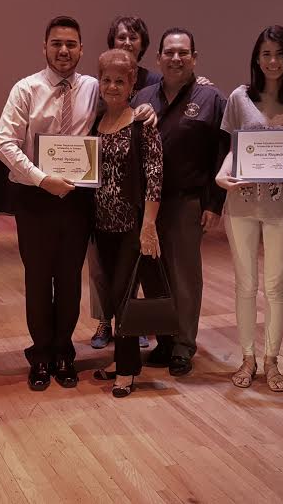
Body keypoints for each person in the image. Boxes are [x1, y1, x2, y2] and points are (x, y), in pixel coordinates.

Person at [0, 16, 99, 391]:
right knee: (39, 280)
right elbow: (3, 143)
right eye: (56, 43)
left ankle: (64, 353)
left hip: (76, 198)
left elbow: (134, 89)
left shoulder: (93, 87)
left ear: (81, 49)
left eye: (71, 44)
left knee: (70, 280)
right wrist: (42, 179)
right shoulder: (26, 89)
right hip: (35, 197)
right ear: (44, 47)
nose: (63, 51)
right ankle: (40, 356)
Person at [214, 25, 283, 391]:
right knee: (246, 285)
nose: (273, 61)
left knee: (275, 286)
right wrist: (222, 176)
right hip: (241, 201)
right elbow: (233, 150)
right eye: (266, 54)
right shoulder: (239, 97)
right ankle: (247, 358)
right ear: (256, 59)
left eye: (279, 54)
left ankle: (272, 361)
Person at [133, 27, 229, 376]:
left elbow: (222, 153)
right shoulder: (142, 96)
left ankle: (184, 347)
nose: (176, 58)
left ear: (194, 58)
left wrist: (214, 203)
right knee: (153, 274)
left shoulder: (211, 98)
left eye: (183, 53)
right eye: (169, 52)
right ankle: (165, 341)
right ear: (158, 58)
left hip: (187, 201)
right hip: (145, 204)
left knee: (184, 276)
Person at [88, 49, 164, 397]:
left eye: (121, 80)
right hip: (101, 227)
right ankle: (121, 360)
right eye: (107, 79)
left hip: (132, 228)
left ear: (133, 83)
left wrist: (149, 225)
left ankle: (128, 370)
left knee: (123, 298)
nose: (113, 86)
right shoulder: (96, 122)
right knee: (111, 298)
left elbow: (154, 176)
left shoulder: (142, 123)